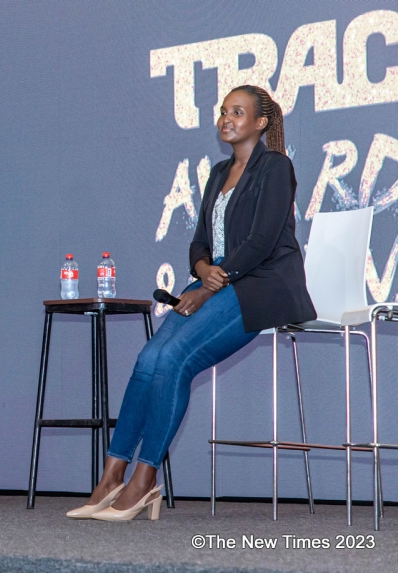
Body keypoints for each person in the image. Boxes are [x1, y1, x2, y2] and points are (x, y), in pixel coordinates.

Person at [67, 86, 316, 521]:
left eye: (238, 112)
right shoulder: (219, 172)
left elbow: (262, 241)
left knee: (174, 360)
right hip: (217, 277)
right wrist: (201, 268)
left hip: (259, 283)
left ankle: (145, 481)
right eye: (223, 111)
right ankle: (111, 476)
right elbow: (200, 238)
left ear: (261, 122)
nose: (226, 118)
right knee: (149, 358)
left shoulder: (276, 167)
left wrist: (211, 283)